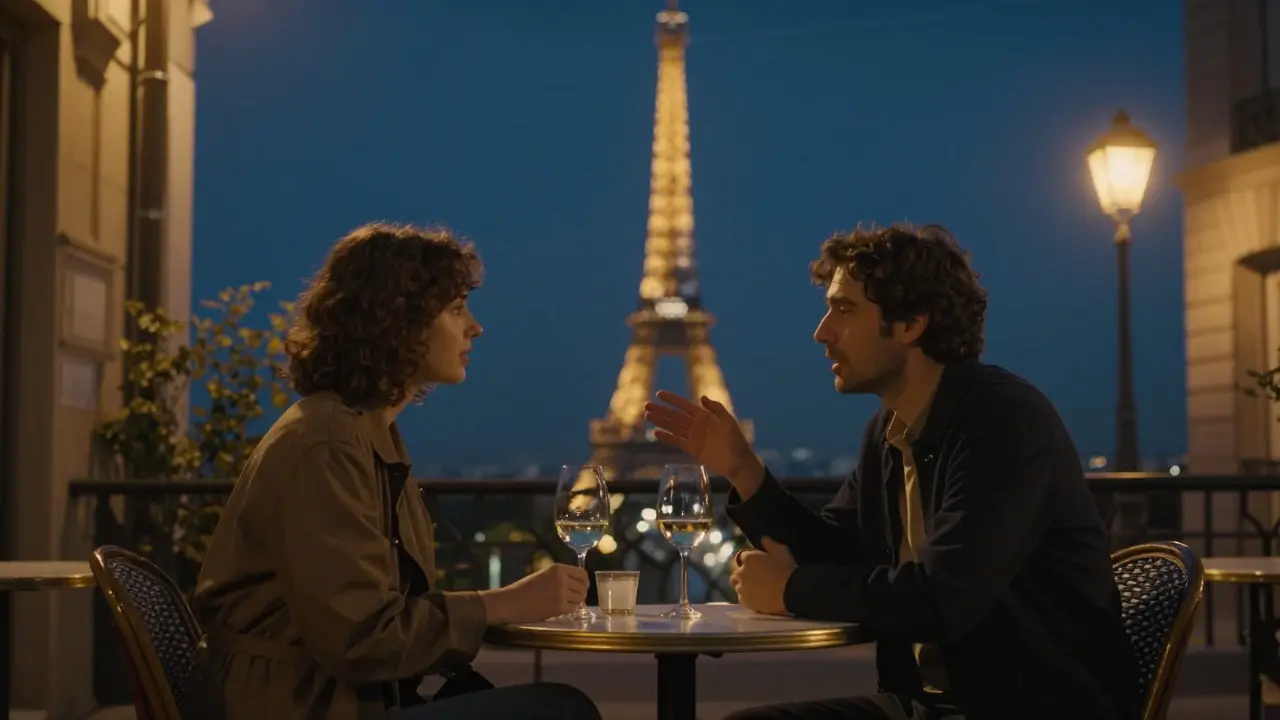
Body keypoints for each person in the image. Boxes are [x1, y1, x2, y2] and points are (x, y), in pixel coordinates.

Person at [644, 224, 1138, 720]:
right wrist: (743, 469)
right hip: (933, 706)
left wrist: (792, 589)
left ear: (911, 324)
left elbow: (944, 599)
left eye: (844, 309)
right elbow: (836, 548)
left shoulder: (1004, 424)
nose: (822, 332)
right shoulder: (892, 431)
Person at [186, 223, 601, 720]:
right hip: (302, 706)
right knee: (558, 711)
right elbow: (362, 638)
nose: (475, 326)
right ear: (399, 322)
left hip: (316, 697)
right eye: (455, 309)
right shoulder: (330, 443)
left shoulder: (355, 430)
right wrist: (502, 605)